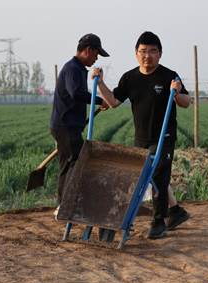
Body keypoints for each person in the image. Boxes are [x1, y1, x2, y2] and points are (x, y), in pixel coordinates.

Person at [93, 31, 191, 239]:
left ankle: (158, 222)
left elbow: (186, 102)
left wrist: (176, 92)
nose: (148, 56)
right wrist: (100, 83)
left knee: (157, 175)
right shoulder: (130, 78)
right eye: (143, 51)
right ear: (136, 54)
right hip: (141, 137)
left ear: (160, 54)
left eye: (153, 51)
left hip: (164, 136)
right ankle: (175, 212)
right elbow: (113, 102)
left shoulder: (169, 75)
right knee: (145, 177)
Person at [50, 33, 109, 207]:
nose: (96, 58)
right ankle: (64, 205)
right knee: (72, 164)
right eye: (96, 53)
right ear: (88, 50)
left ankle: (65, 204)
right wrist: (99, 100)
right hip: (65, 125)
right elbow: (76, 93)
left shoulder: (77, 69)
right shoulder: (73, 68)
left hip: (69, 125)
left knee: (70, 163)